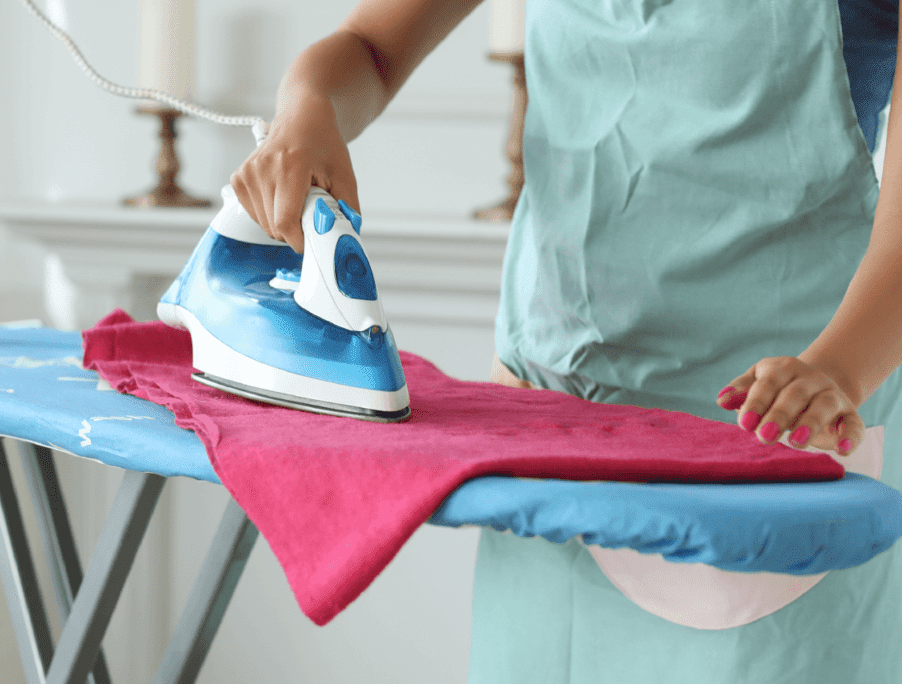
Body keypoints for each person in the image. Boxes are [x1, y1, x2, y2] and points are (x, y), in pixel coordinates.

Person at [230, 0, 902, 680]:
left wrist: (838, 371)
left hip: (775, 439)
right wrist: (309, 107)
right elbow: (370, 48)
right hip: (550, 431)